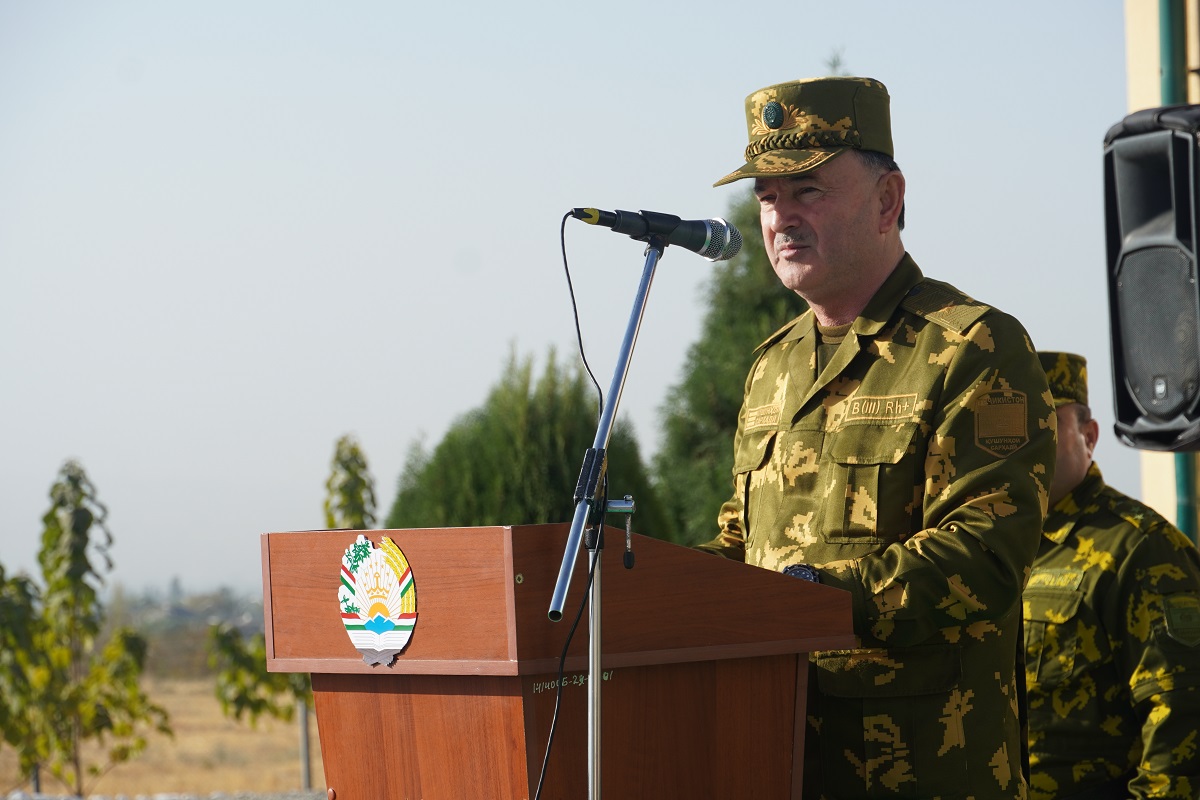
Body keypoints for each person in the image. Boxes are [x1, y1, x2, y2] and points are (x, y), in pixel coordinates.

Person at [698, 76, 1057, 799]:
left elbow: (985, 552)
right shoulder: (771, 369)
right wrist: (652, 587)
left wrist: (820, 600)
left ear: (888, 200)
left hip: (921, 769)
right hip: (776, 755)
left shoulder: (972, 347)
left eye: (807, 192)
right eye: (767, 198)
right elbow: (741, 543)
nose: (781, 219)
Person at [1025, 351, 1200, 800]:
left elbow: (1181, 714)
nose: (1025, 442)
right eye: (1007, 430)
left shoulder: (1140, 548)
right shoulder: (983, 548)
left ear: (1089, 435)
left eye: (1046, 424)